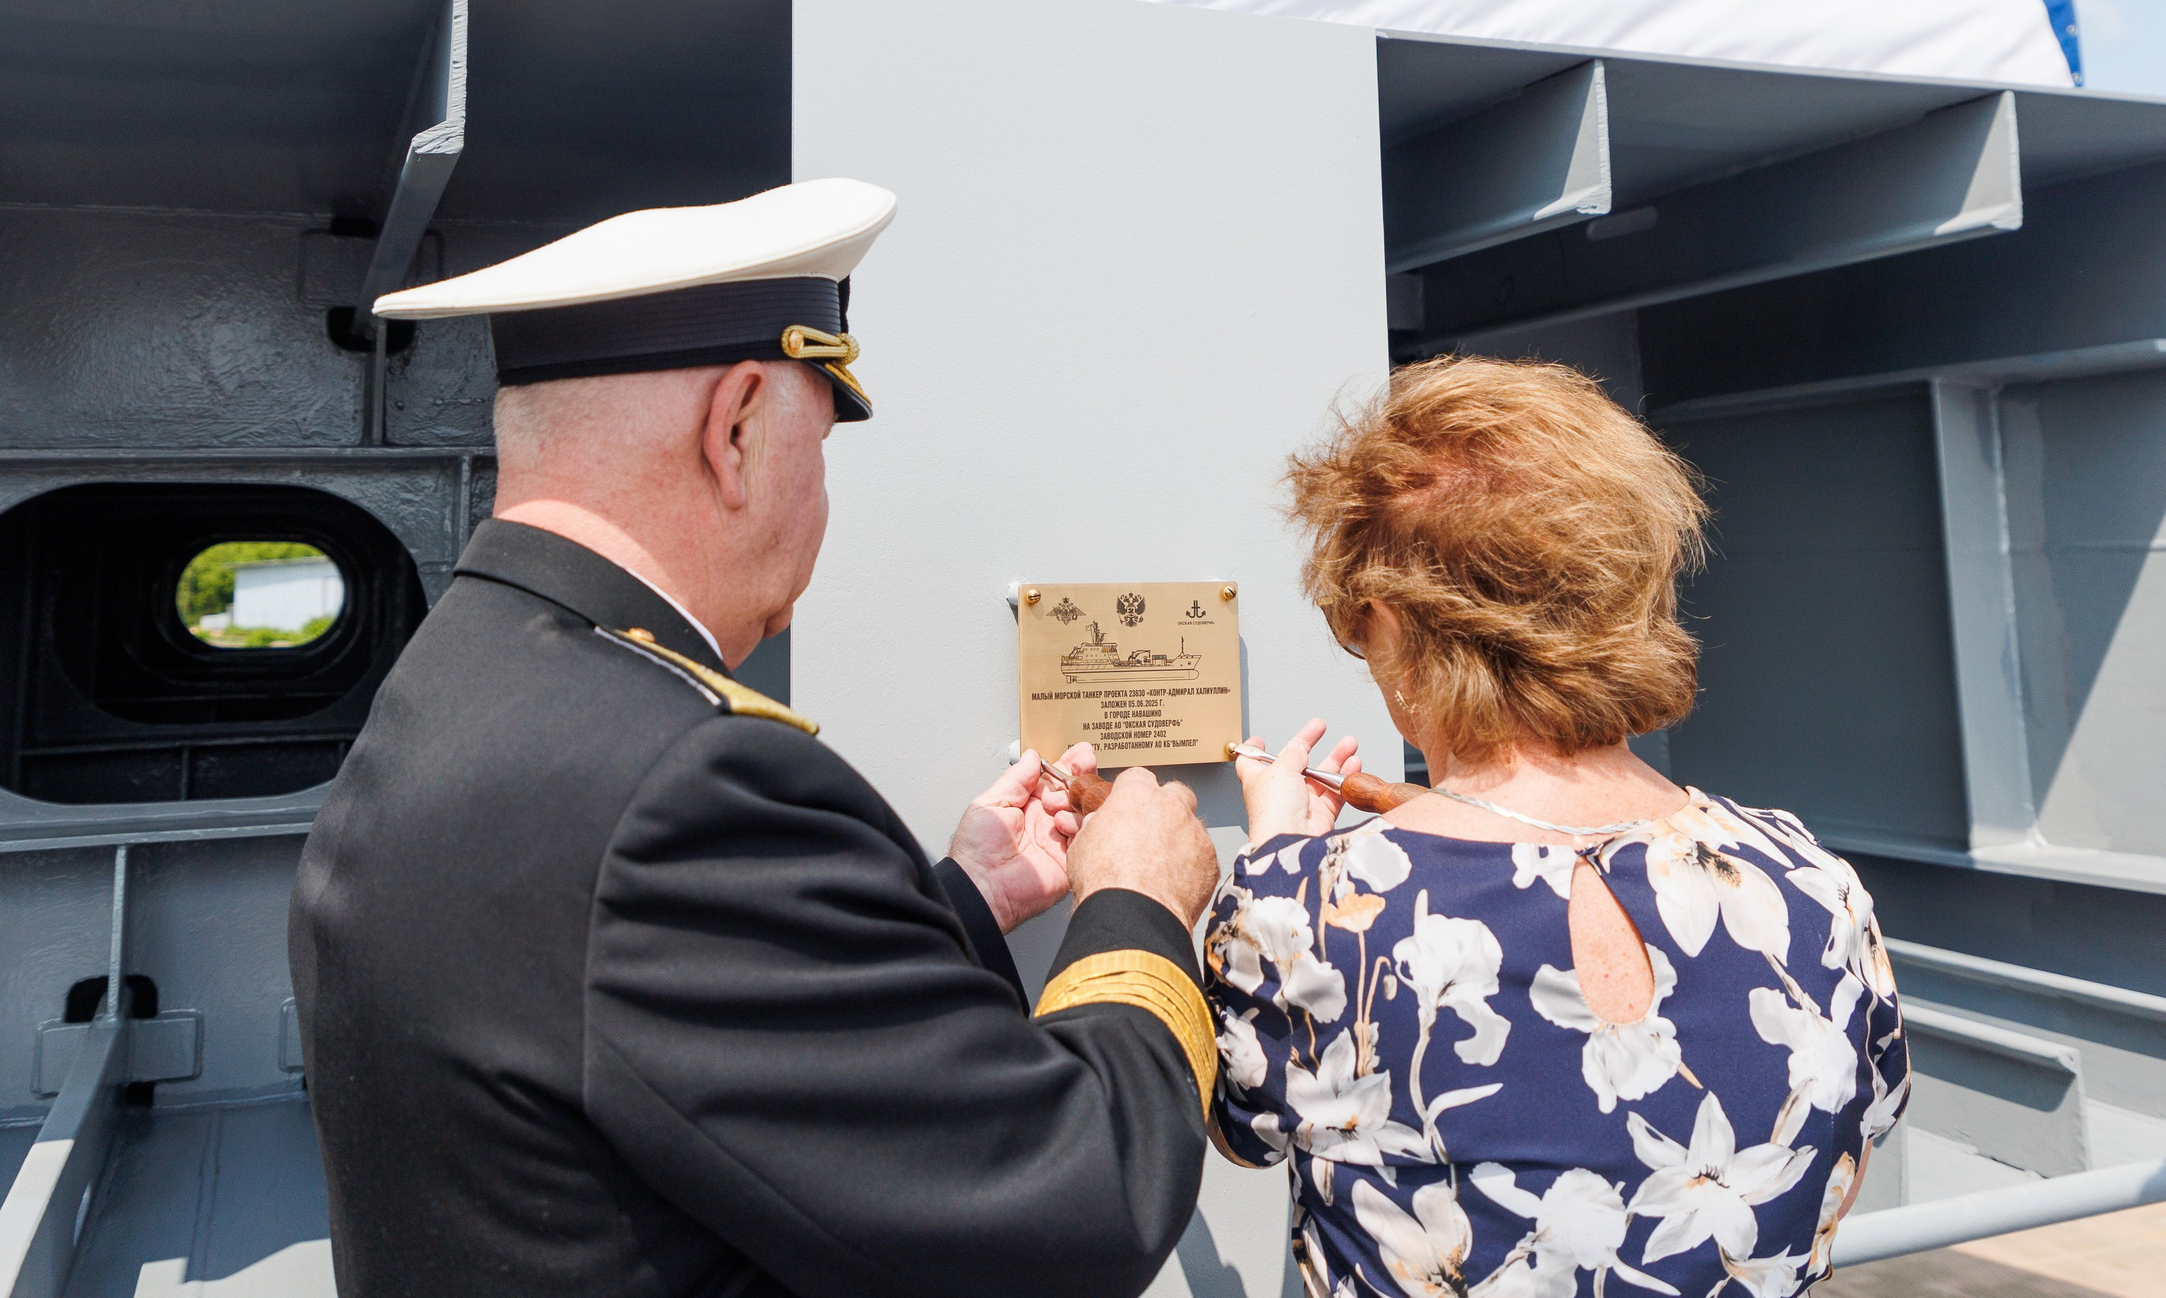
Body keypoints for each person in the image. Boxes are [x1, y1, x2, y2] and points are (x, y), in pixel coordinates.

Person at [288, 178, 1224, 1298]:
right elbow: (1079, 1203)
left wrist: (966, 899)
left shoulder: (471, 673)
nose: (821, 503)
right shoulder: (684, 782)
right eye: (819, 450)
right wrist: (1136, 904)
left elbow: (675, 1023)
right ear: (733, 431)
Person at [1206, 357, 1908, 1298]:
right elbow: (1837, 1168)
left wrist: (1276, 867)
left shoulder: (1303, 907)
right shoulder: (1811, 882)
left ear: (1395, 624)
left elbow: (1240, 1128)